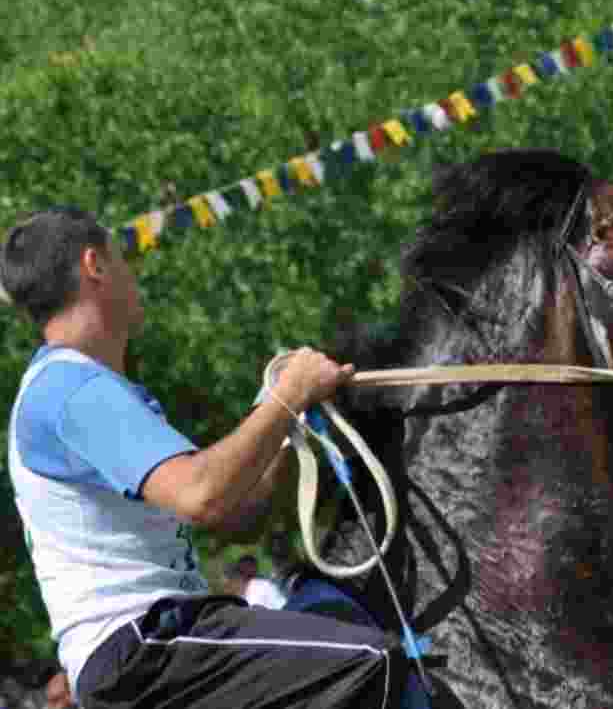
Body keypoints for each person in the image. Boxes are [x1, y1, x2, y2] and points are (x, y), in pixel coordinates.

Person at [1, 208, 408, 709]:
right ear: (95, 265)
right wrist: (288, 397)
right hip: (141, 649)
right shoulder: (71, 390)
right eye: (122, 258)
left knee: (338, 617)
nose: (133, 275)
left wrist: (282, 419)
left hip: (155, 645)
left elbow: (239, 515)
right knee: (373, 663)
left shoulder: (84, 388)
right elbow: (204, 497)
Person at [221, 559, 288, 610]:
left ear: (237, 578)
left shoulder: (262, 586)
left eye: (228, 585)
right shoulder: (236, 600)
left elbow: (283, 607)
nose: (226, 590)